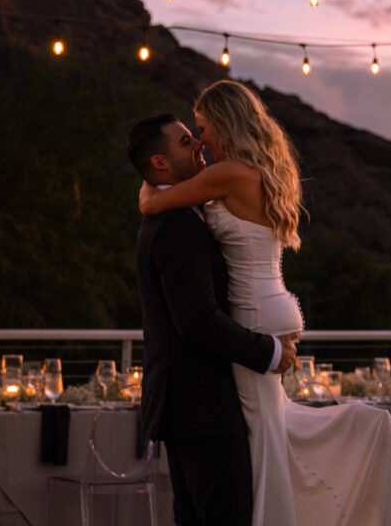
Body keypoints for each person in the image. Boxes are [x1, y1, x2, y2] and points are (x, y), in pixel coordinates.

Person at [139, 81, 391, 526]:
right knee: (271, 432)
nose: (201, 142)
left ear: (225, 123)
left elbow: (153, 203)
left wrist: (150, 175)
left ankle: (275, 511)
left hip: (255, 309)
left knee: (265, 439)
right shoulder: (260, 171)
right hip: (272, 301)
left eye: (202, 129)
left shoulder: (227, 174)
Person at [128, 111, 297, 526]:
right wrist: (270, 351)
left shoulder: (173, 213)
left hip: (188, 404)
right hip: (201, 404)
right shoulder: (177, 227)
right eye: (186, 141)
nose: (198, 145)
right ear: (161, 163)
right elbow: (198, 321)